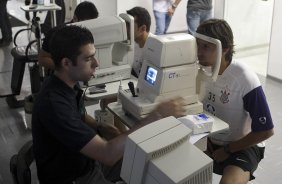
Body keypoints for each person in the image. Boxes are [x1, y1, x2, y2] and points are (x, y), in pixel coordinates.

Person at [32, 25, 186, 184]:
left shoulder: (66, 83)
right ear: (66, 63)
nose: (96, 63)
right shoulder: (54, 103)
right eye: (88, 58)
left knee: (144, 165)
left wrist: (99, 127)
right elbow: (108, 154)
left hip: (85, 163)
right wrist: (157, 115)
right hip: (74, 177)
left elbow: (79, 116)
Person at [196, 19, 274, 183]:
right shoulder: (200, 70)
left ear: (225, 49)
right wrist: (205, 137)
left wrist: (228, 149)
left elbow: (266, 131)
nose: (199, 52)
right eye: (197, 44)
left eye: (206, 47)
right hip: (209, 139)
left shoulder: (244, 78)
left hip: (242, 145)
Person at [38, 1, 99, 73]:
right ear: (75, 18)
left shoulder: (94, 30)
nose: (89, 28)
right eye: (86, 24)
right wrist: (66, 67)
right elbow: (42, 59)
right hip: (63, 75)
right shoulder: (56, 33)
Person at [126, 6, 153, 78]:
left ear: (142, 29)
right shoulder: (133, 44)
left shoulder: (156, 49)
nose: (126, 28)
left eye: (129, 25)